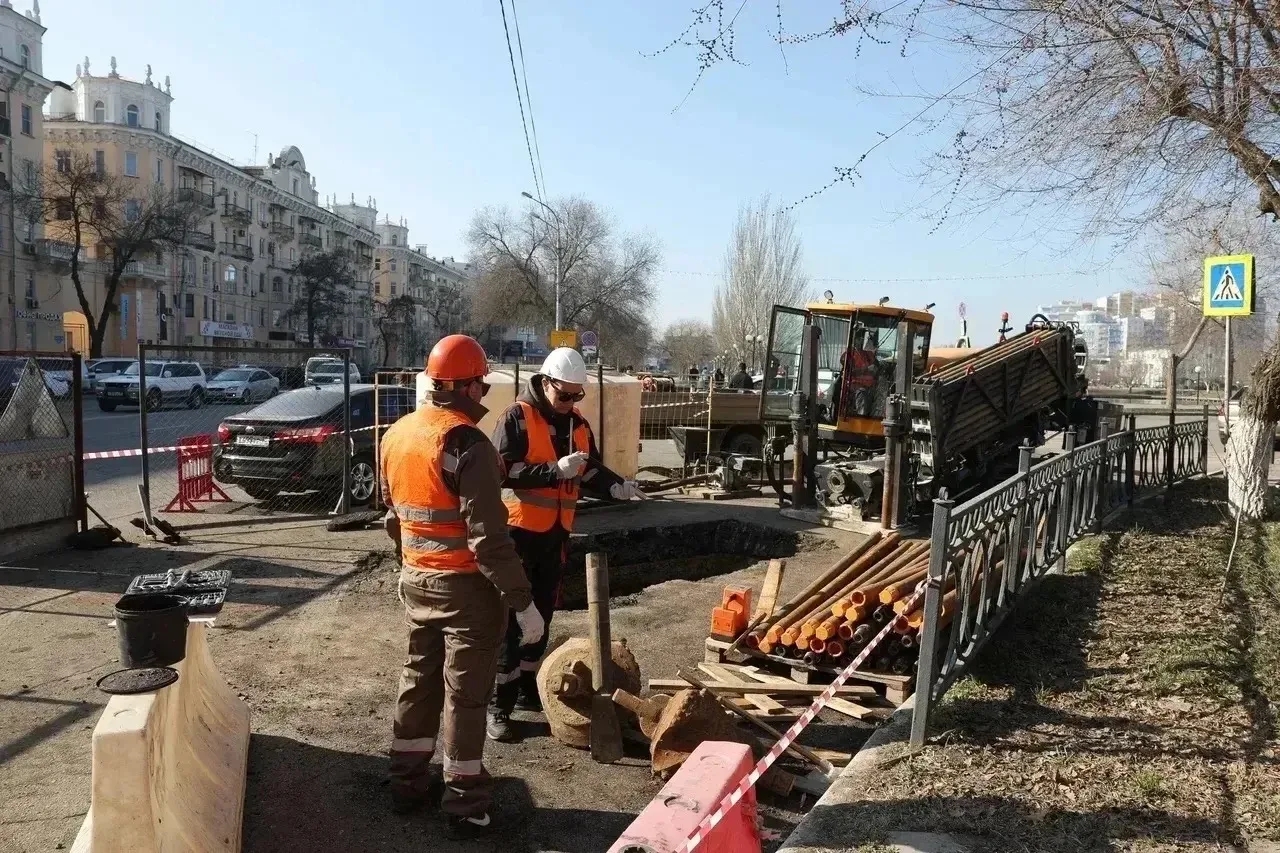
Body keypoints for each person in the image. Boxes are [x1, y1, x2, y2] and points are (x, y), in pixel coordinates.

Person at [380, 334, 544, 839]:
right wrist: (523, 603)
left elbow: (393, 519)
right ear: (469, 385)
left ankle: (407, 783)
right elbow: (489, 541)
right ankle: (466, 803)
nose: (484, 393)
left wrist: (411, 565)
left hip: (417, 580)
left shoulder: (399, 434)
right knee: (466, 698)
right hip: (466, 591)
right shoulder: (466, 444)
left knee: (418, 681)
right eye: (481, 383)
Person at [486, 346, 642, 742]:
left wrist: (615, 487)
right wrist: (553, 471)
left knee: (542, 616)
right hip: (517, 535)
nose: (571, 402)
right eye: (565, 394)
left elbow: (589, 470)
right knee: (513, 623)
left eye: (577, 395)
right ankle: (497, 706)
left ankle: (526, 691)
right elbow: (502, 472)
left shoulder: (578, 425)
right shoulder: (516, 418)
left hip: (555, 535)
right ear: (545, 382)